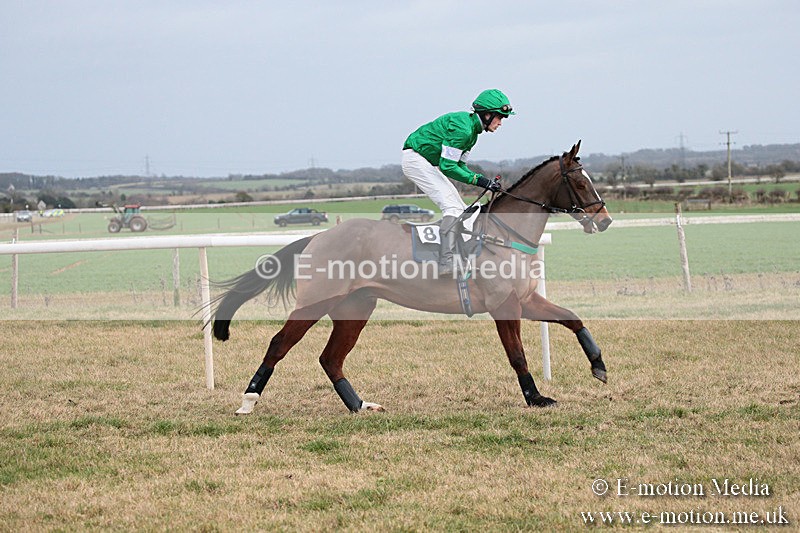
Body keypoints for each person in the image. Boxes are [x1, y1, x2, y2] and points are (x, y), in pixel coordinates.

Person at [401, 89, 514, 276]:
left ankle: (459, 256)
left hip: (427, 162)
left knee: (462, 209)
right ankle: (445, 262)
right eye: (499, 117)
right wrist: (481, 181)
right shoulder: (464, 129)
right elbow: (447, 166)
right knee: (452, 208)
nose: (501, 123)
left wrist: (483, 182)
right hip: (416, 161)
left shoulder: (472, 133)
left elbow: (460, 166)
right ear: (487, 115)